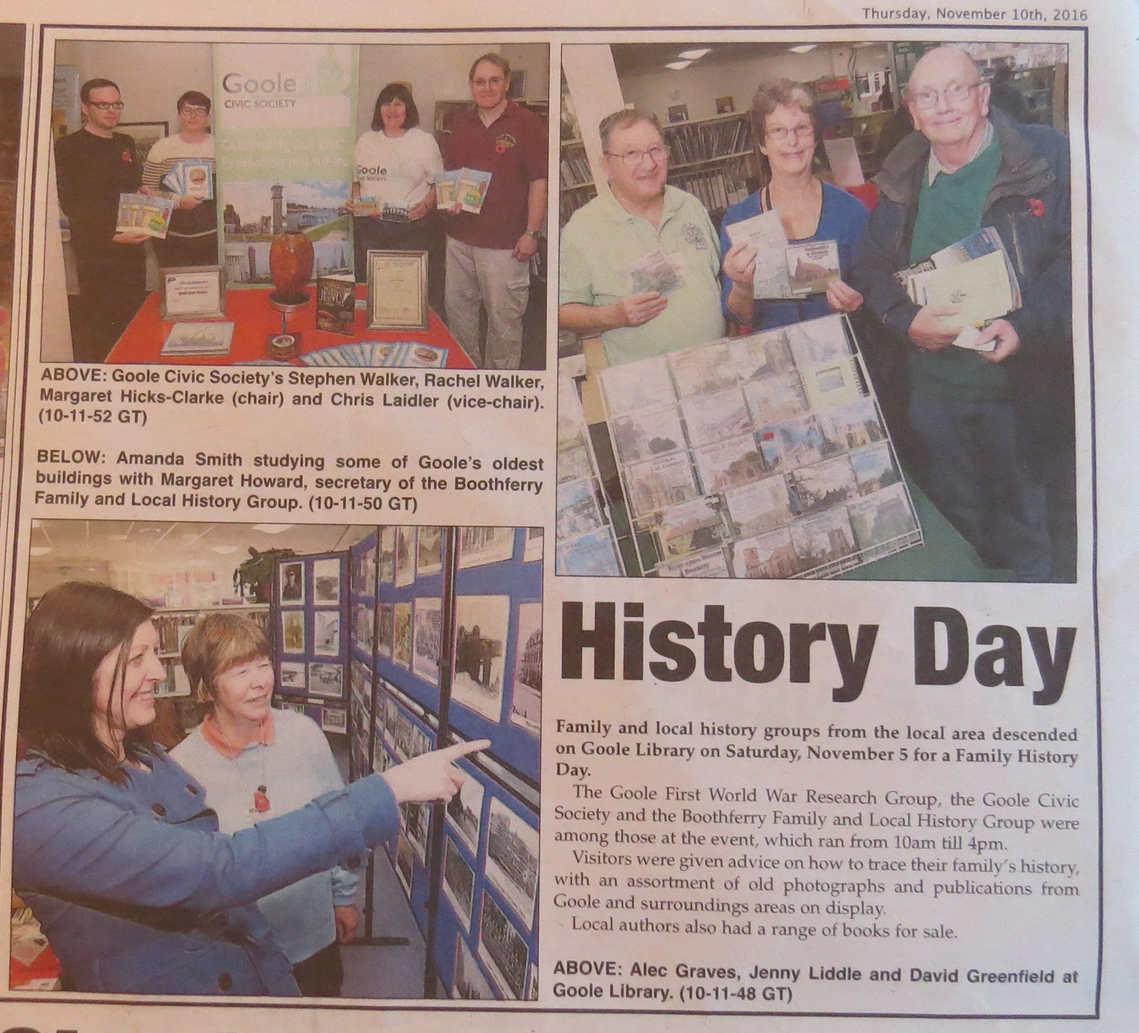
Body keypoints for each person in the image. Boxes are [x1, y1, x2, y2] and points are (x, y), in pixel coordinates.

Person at [13, 581, 487, 996]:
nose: (158, 672)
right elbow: (220, 870)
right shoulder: (37, 807)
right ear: (73, 672)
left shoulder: (144, 756)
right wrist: (388, 788)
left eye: (155, 653)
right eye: (136, 658)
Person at [850, 46, 1072, 581]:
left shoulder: (1044, 160)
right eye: (927, 94)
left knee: (1028, 541)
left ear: (983, 95)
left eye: (956, 89)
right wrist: (907, 322)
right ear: (912, 109)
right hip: (934, 402)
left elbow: (1081, 267)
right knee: (960, 539)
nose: (944, 104)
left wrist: (1022, 326)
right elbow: (870, 272)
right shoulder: (900, 178)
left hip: (1019, 400)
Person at [170, 613, 354, 997]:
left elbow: (340, 822)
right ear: (206, 688)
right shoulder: (181, 768)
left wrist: (343, 897)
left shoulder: (305, 735)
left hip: (314, 937)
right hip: (238, 952)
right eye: (239, 671)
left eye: (263, 664)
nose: (260, 682)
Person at [558, 108, 724, 367]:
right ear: (607, 165)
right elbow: (562, 311)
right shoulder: (582, 230)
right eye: (631, 154)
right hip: (646, 386)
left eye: (655, 149)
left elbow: (717, 279)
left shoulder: (689, 205)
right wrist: (614, 316)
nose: (648, 164)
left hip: (717, 365)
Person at [720, 79, 868, 331]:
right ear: (762, 144)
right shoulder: (739, 221)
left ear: (815, 137)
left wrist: (857, 305)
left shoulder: (852, 213)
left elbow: (876, 297)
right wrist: (743, 287)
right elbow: (741, 317)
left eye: (802, 128)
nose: (792, 141)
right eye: (778, 131)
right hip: (777, 362)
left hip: (842, 355)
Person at [442, 53, 547, 370]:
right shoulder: (460, 123)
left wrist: (532, 232)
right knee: (459, 319)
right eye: (479, 81)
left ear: (506, 82)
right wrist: (451, 199)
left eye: (493, 80)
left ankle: (500, 390)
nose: (486, 87)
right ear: (471, 86)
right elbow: (453, 176)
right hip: (459, 241)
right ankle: (468, 381)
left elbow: (539, 182)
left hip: (505, 247)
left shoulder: (528, 123)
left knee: (504, 326)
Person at [54, 78, 148, 362]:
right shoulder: (68, 147)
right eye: (102, 104)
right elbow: (73, 205)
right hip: (97, 255)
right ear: (85, 108)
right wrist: (111, 235)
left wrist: (142, 192)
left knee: (134, 324)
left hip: (133, 250)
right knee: (102, 331)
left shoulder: (125, 142)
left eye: (116, 104)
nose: (112, 111)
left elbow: (131, 187)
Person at [349, 83, 445, 315]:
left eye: (398, 104)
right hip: (372, 229)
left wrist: (426, 205)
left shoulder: (424, 141)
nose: (391, 110)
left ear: (408, 109)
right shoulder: (365, 141)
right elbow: (357, 182)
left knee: (407, 297)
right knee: (375, 296)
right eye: (386, 104)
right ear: (378, 109)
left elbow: (439, 184)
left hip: (413, 231)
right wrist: (356, 204)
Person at [140, 90, 218, 268]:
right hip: (170, 239)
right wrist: (178, 201)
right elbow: (147, 193)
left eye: (199, 111)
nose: (193, 116)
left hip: (211, 238)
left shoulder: (218, 148)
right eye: (187, 111)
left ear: (208, 116)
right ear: (179, 115)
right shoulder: (161, 149)